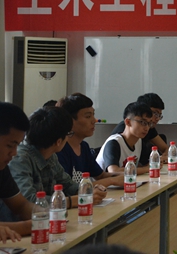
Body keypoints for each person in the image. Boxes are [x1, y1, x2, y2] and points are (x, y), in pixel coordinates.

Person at [9, 106, 106, 209]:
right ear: (59, 141)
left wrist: (88, 190)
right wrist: (76, 200)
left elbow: (68, 185)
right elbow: (28, 200)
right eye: (68, 134)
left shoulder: (51, 155)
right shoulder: (19, 158)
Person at [56, 93, 124, 187]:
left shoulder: (84, 146)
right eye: (88, 116)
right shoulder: (60, 149)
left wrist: (127, 174)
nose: (94, 120)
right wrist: (112, 181)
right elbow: (69, 189)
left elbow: (101, 176)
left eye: (93, 115)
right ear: (69, 121)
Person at [0, 102, 33, 241]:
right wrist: (27, 226)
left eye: (17, 146)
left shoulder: (2, 169)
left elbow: (21, 206)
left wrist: (45, 214)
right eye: (10, 145)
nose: (14, 153)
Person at [111, 93, 168, 165]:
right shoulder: (125, 130)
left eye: (159, 115)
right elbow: (115, 169)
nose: (157, 118)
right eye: (155, 113)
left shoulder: (148, 127)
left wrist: (163, 157)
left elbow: (165, 148)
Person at [96, 102, 152, 174]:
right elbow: (113, 171)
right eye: (143, 122)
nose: (147, 128)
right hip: (103, 181)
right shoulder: (114, 143)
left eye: (149, 123)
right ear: (128, 122)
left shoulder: (139, 141)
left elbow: (147, 163)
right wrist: (147, 169)